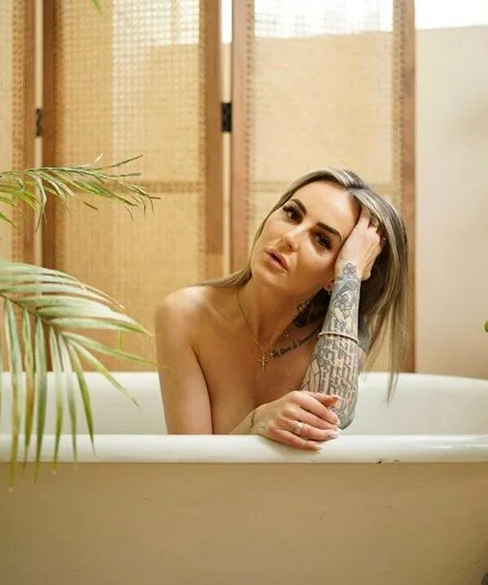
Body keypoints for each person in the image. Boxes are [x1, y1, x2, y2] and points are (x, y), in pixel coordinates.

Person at [154, 167, 410, 451]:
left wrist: (349, 272)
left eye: (322, 240)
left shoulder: (338, 334)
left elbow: (325, 423)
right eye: (292, 214)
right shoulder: (185, 316)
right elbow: (191, 466)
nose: (291, 237)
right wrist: (256, 422)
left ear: (333, 279)